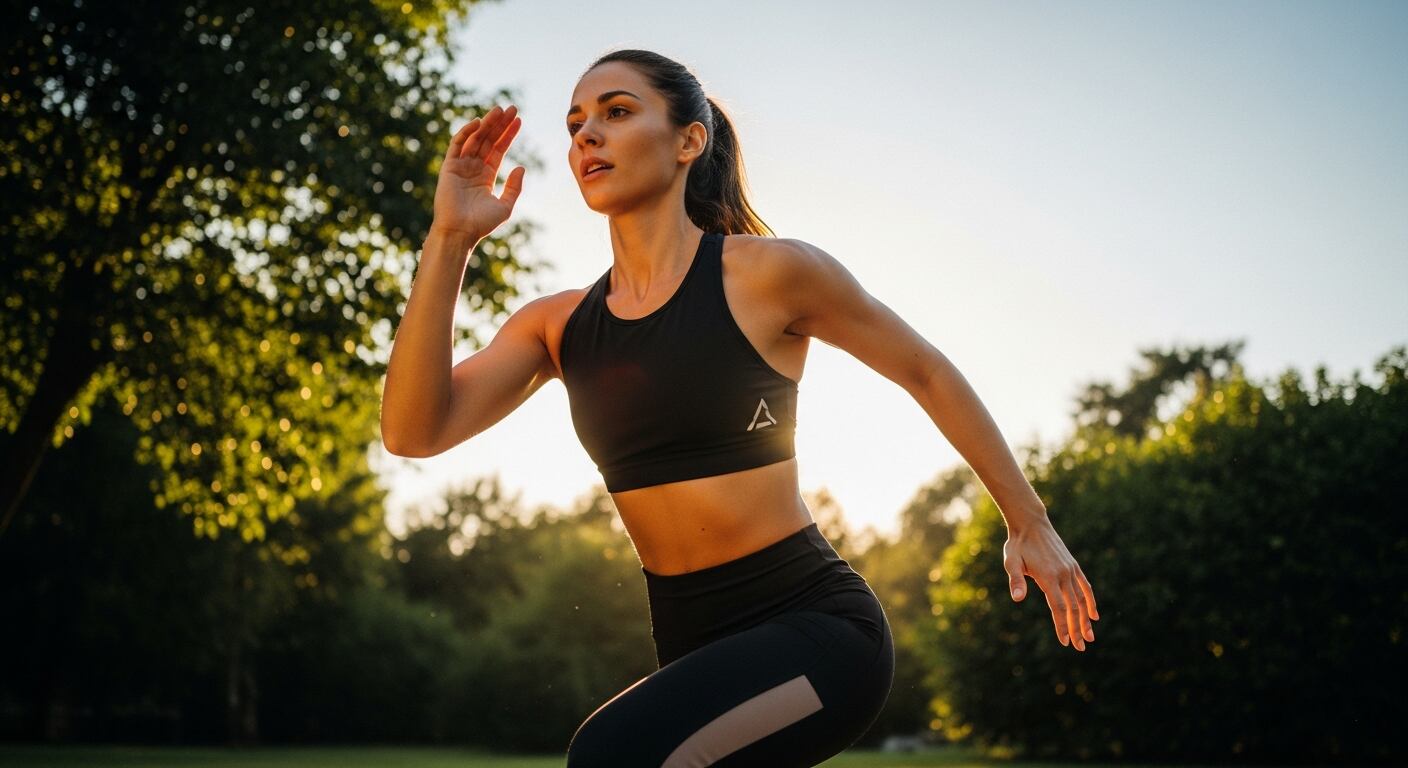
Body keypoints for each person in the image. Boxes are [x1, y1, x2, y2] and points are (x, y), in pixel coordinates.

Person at [380, 48, 1099, 767]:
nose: (586, 136)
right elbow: (415, 431)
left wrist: (1027, 518)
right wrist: (449, 239)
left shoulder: (768, 274)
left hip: (822, 634)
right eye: (574, 125)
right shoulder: (557, 326)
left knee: (611, 757)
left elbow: (925, 369)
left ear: (690, 141)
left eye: (617, 112)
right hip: (695, 645)